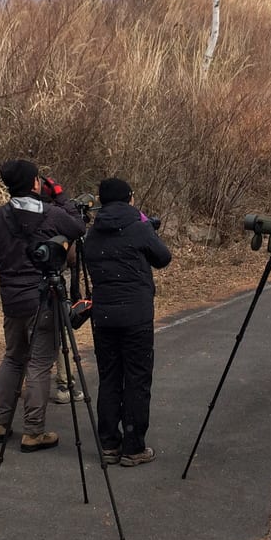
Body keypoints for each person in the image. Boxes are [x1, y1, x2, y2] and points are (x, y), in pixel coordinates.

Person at [0, 159, 85, 452]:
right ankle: (33, 430)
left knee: (13, 357)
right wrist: (61, 197)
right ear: (36, 183)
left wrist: (10, 259)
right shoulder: (51, 215)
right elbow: (78, 227)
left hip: (12, 300)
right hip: (43, 297)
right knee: (38, 363)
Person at [83, 178, 172, 467]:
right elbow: (163, 258)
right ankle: (133, 446)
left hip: (103, 316)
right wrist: (145, 228)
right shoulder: (138, 228)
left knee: (109, 377)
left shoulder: (91, 234)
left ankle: (109, 443)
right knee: (136, 378)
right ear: (130, 199)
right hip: (136, 315)